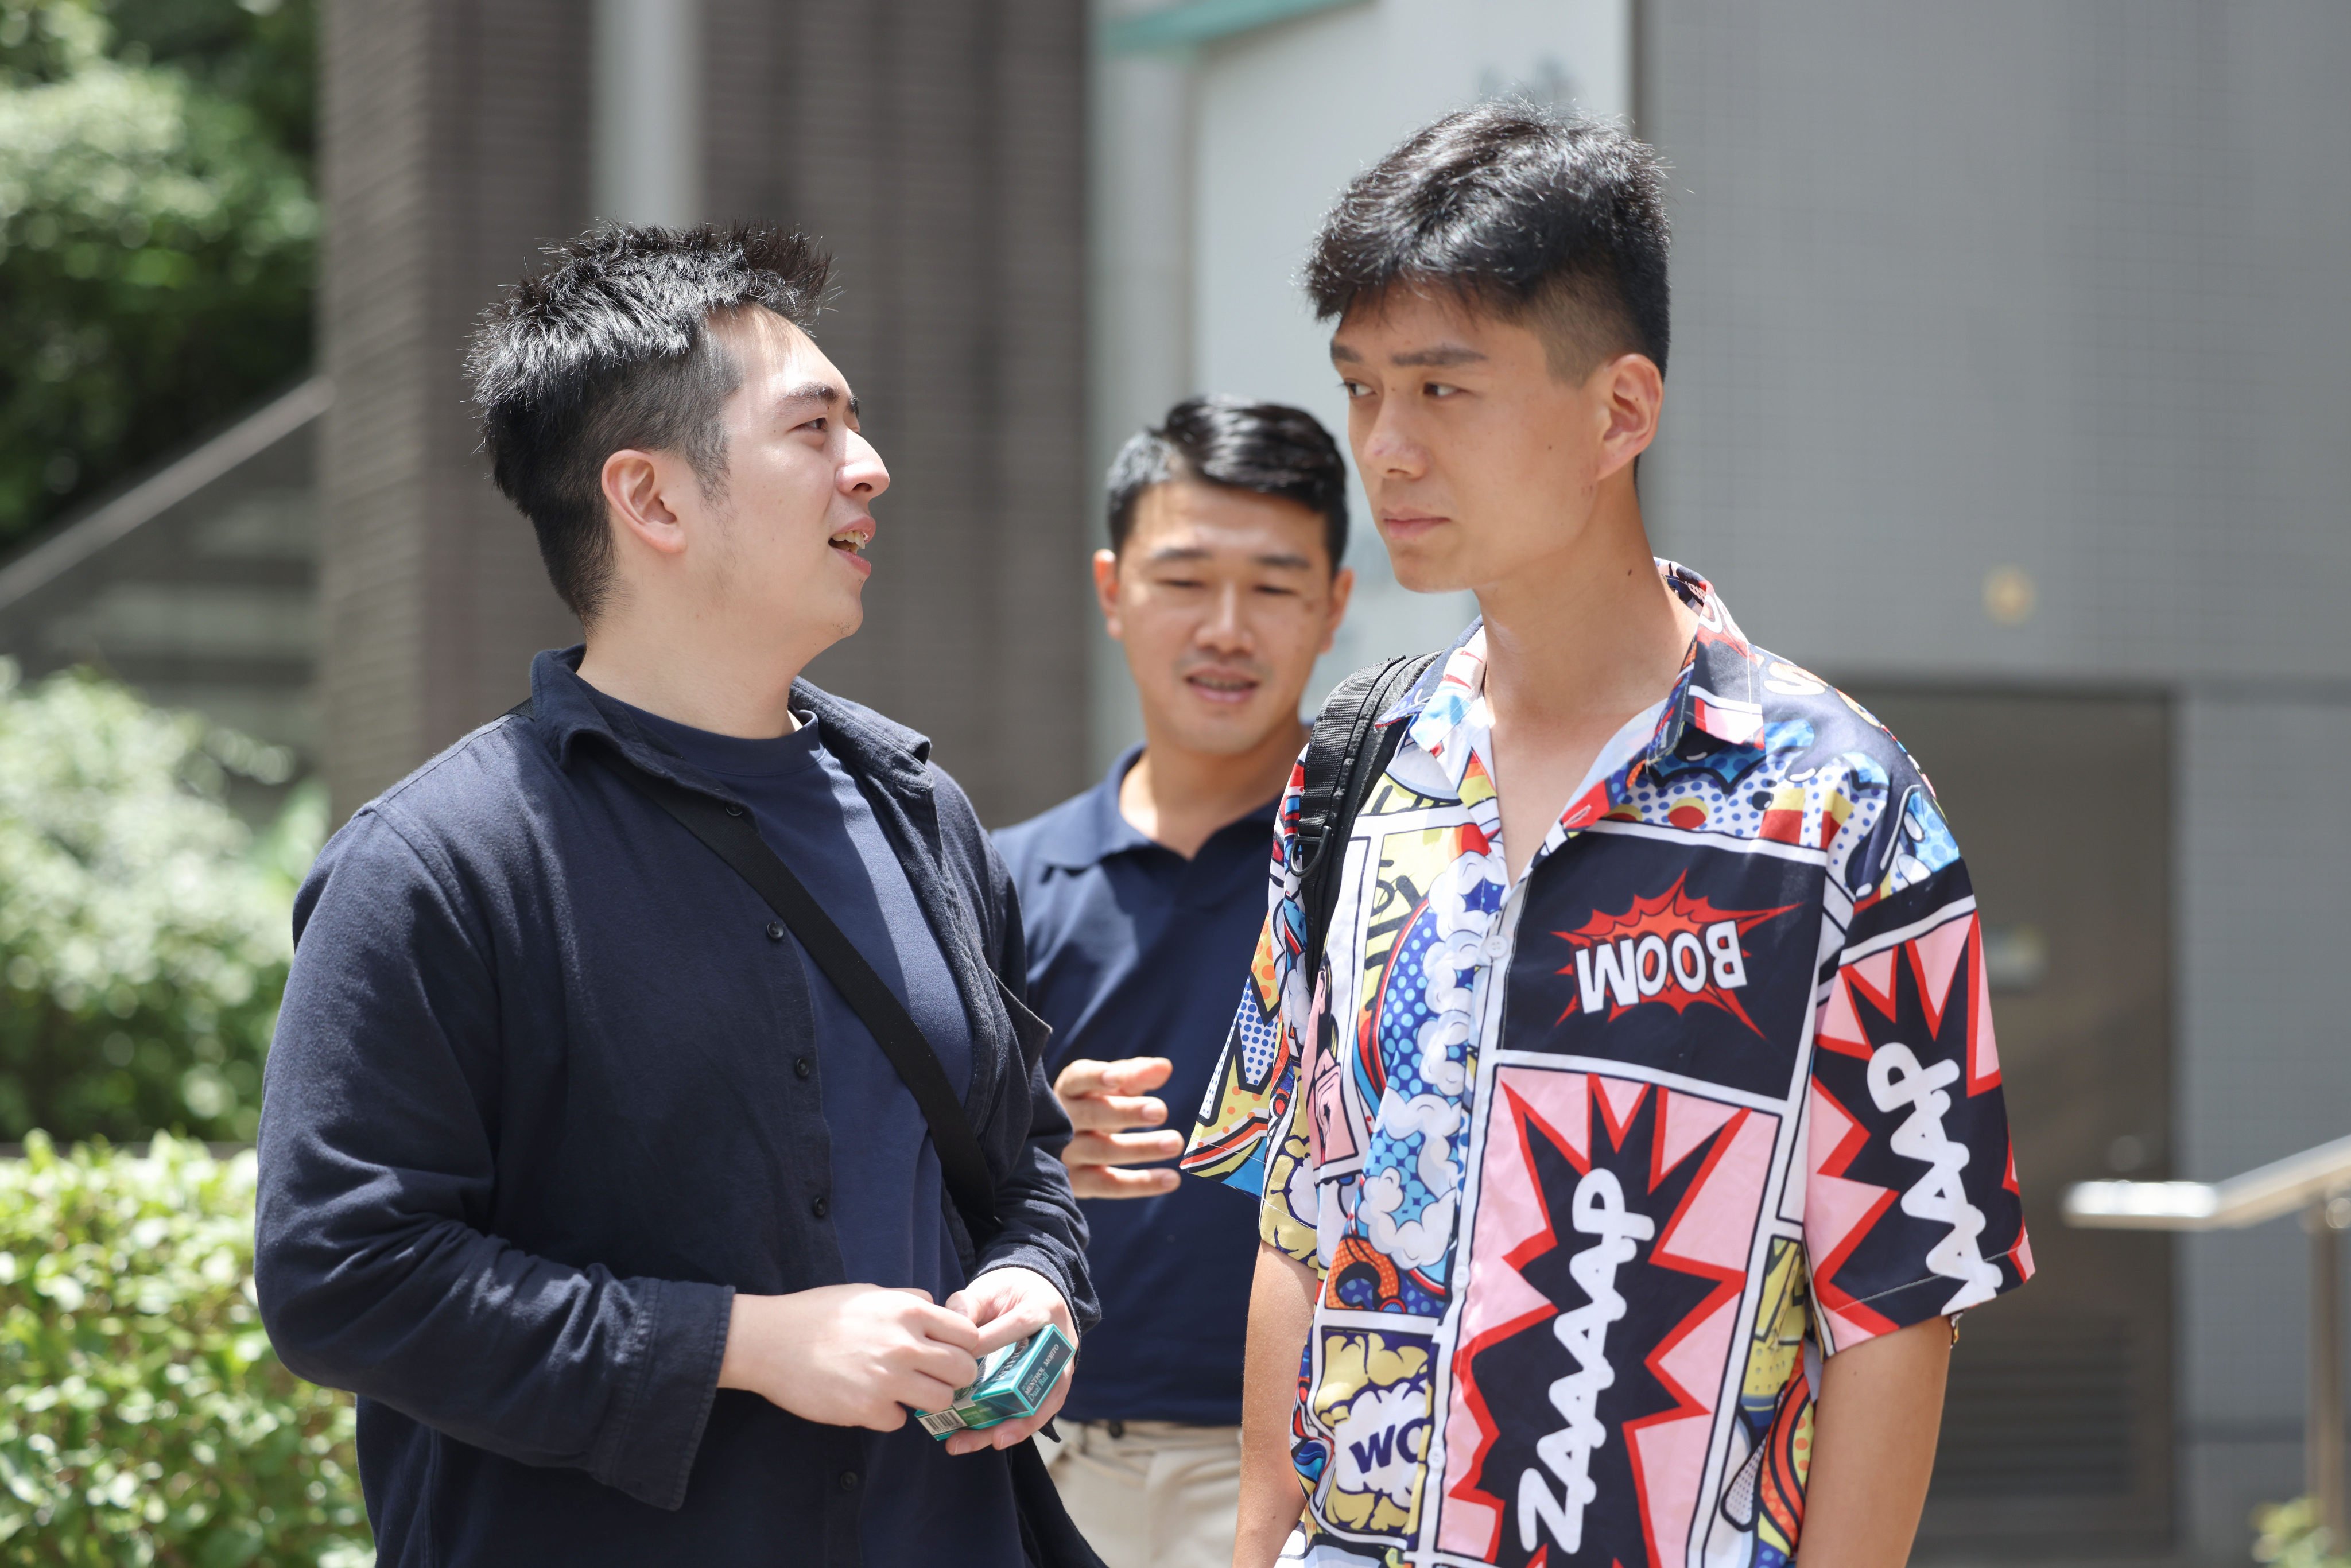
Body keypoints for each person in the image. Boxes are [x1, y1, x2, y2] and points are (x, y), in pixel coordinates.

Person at [1181, 104, 2032, 1568]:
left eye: (1444, 389)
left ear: (1619, 411)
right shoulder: (1354, 766)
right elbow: (1298, 1211)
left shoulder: (1839, 805)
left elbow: (1900, 1296)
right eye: (1361, 387)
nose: (1383, 448)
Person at [253, 224, 1096, 1567]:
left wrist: (1032, 1284)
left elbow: (1020, 1164)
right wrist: (745, 1344)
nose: (869, 467)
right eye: (812, 428)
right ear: (649, 500)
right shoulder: (438, 863)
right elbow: (341, 1278)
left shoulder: (918, 808)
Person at [996, 397, 1356, 1568]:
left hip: (1320, 1474)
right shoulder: (998, 881)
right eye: (1183, 578)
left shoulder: (1388, 863)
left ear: (1335, 605)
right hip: (1044, 1460)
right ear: (1110, 590)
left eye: (1274, 584)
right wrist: (1034, 1150)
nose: (1226, 628)